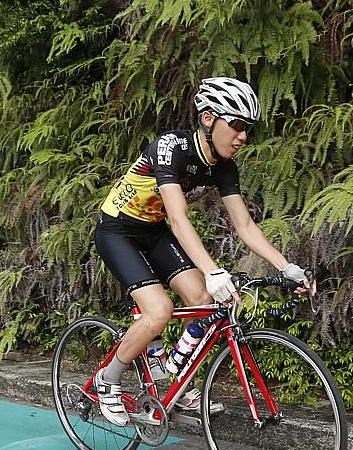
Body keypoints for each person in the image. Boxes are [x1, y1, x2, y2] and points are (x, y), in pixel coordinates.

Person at [91, 76, 313, 425]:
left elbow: (245, 226)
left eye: (248, 128)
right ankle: (108, 380)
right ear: (208, 118)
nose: (243, 136)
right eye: (237, 125)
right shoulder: (171, 148)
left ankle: (175, 385)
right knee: (159, 310)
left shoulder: (224, 166)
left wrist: (287, 267)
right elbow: (179, 219)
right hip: (118, 229)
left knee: (204, 301)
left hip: (152, 231)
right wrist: (213, 271)